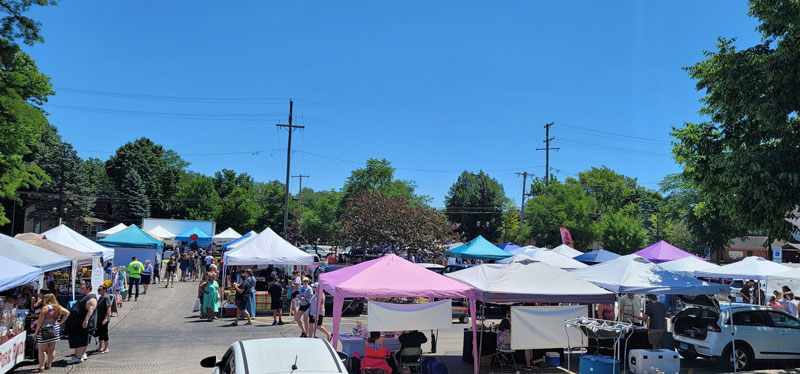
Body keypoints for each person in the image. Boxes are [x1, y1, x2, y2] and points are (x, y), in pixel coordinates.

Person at [34, 293, 69, 372]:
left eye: (44, 299)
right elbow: (67, 312)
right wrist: (61, 322)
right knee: (51, 348)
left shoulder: (45, 308)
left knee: (42, 350)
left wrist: (36, 332)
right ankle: (49, 365)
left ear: (47, 299)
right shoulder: (57, 307)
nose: (43, 300)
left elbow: (40, 321)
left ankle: (41, 367)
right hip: (55, 328)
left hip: (45, 329)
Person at [65, 282, 97, 365]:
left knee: (80, 341)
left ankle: (78, 357)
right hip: (77, 324)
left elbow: (91, 310)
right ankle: (81, 355)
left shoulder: (91, 298)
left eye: (82, 288)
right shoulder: (86, 296)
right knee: (81, 340)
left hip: (81, 325)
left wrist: (86, 320)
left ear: (88, 289)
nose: (80, 290)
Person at [94, 285, 113, 354]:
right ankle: (100, 347)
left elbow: (109, 307)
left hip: (104, 318)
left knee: (104, 332)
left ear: (104, 290)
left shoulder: (106, 297)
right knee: (100, 332)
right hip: (99, 318)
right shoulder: (100, 297)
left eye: (100, 290)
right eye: (98, 290)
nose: (98, 291)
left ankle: (106, 348)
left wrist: (105, 318)